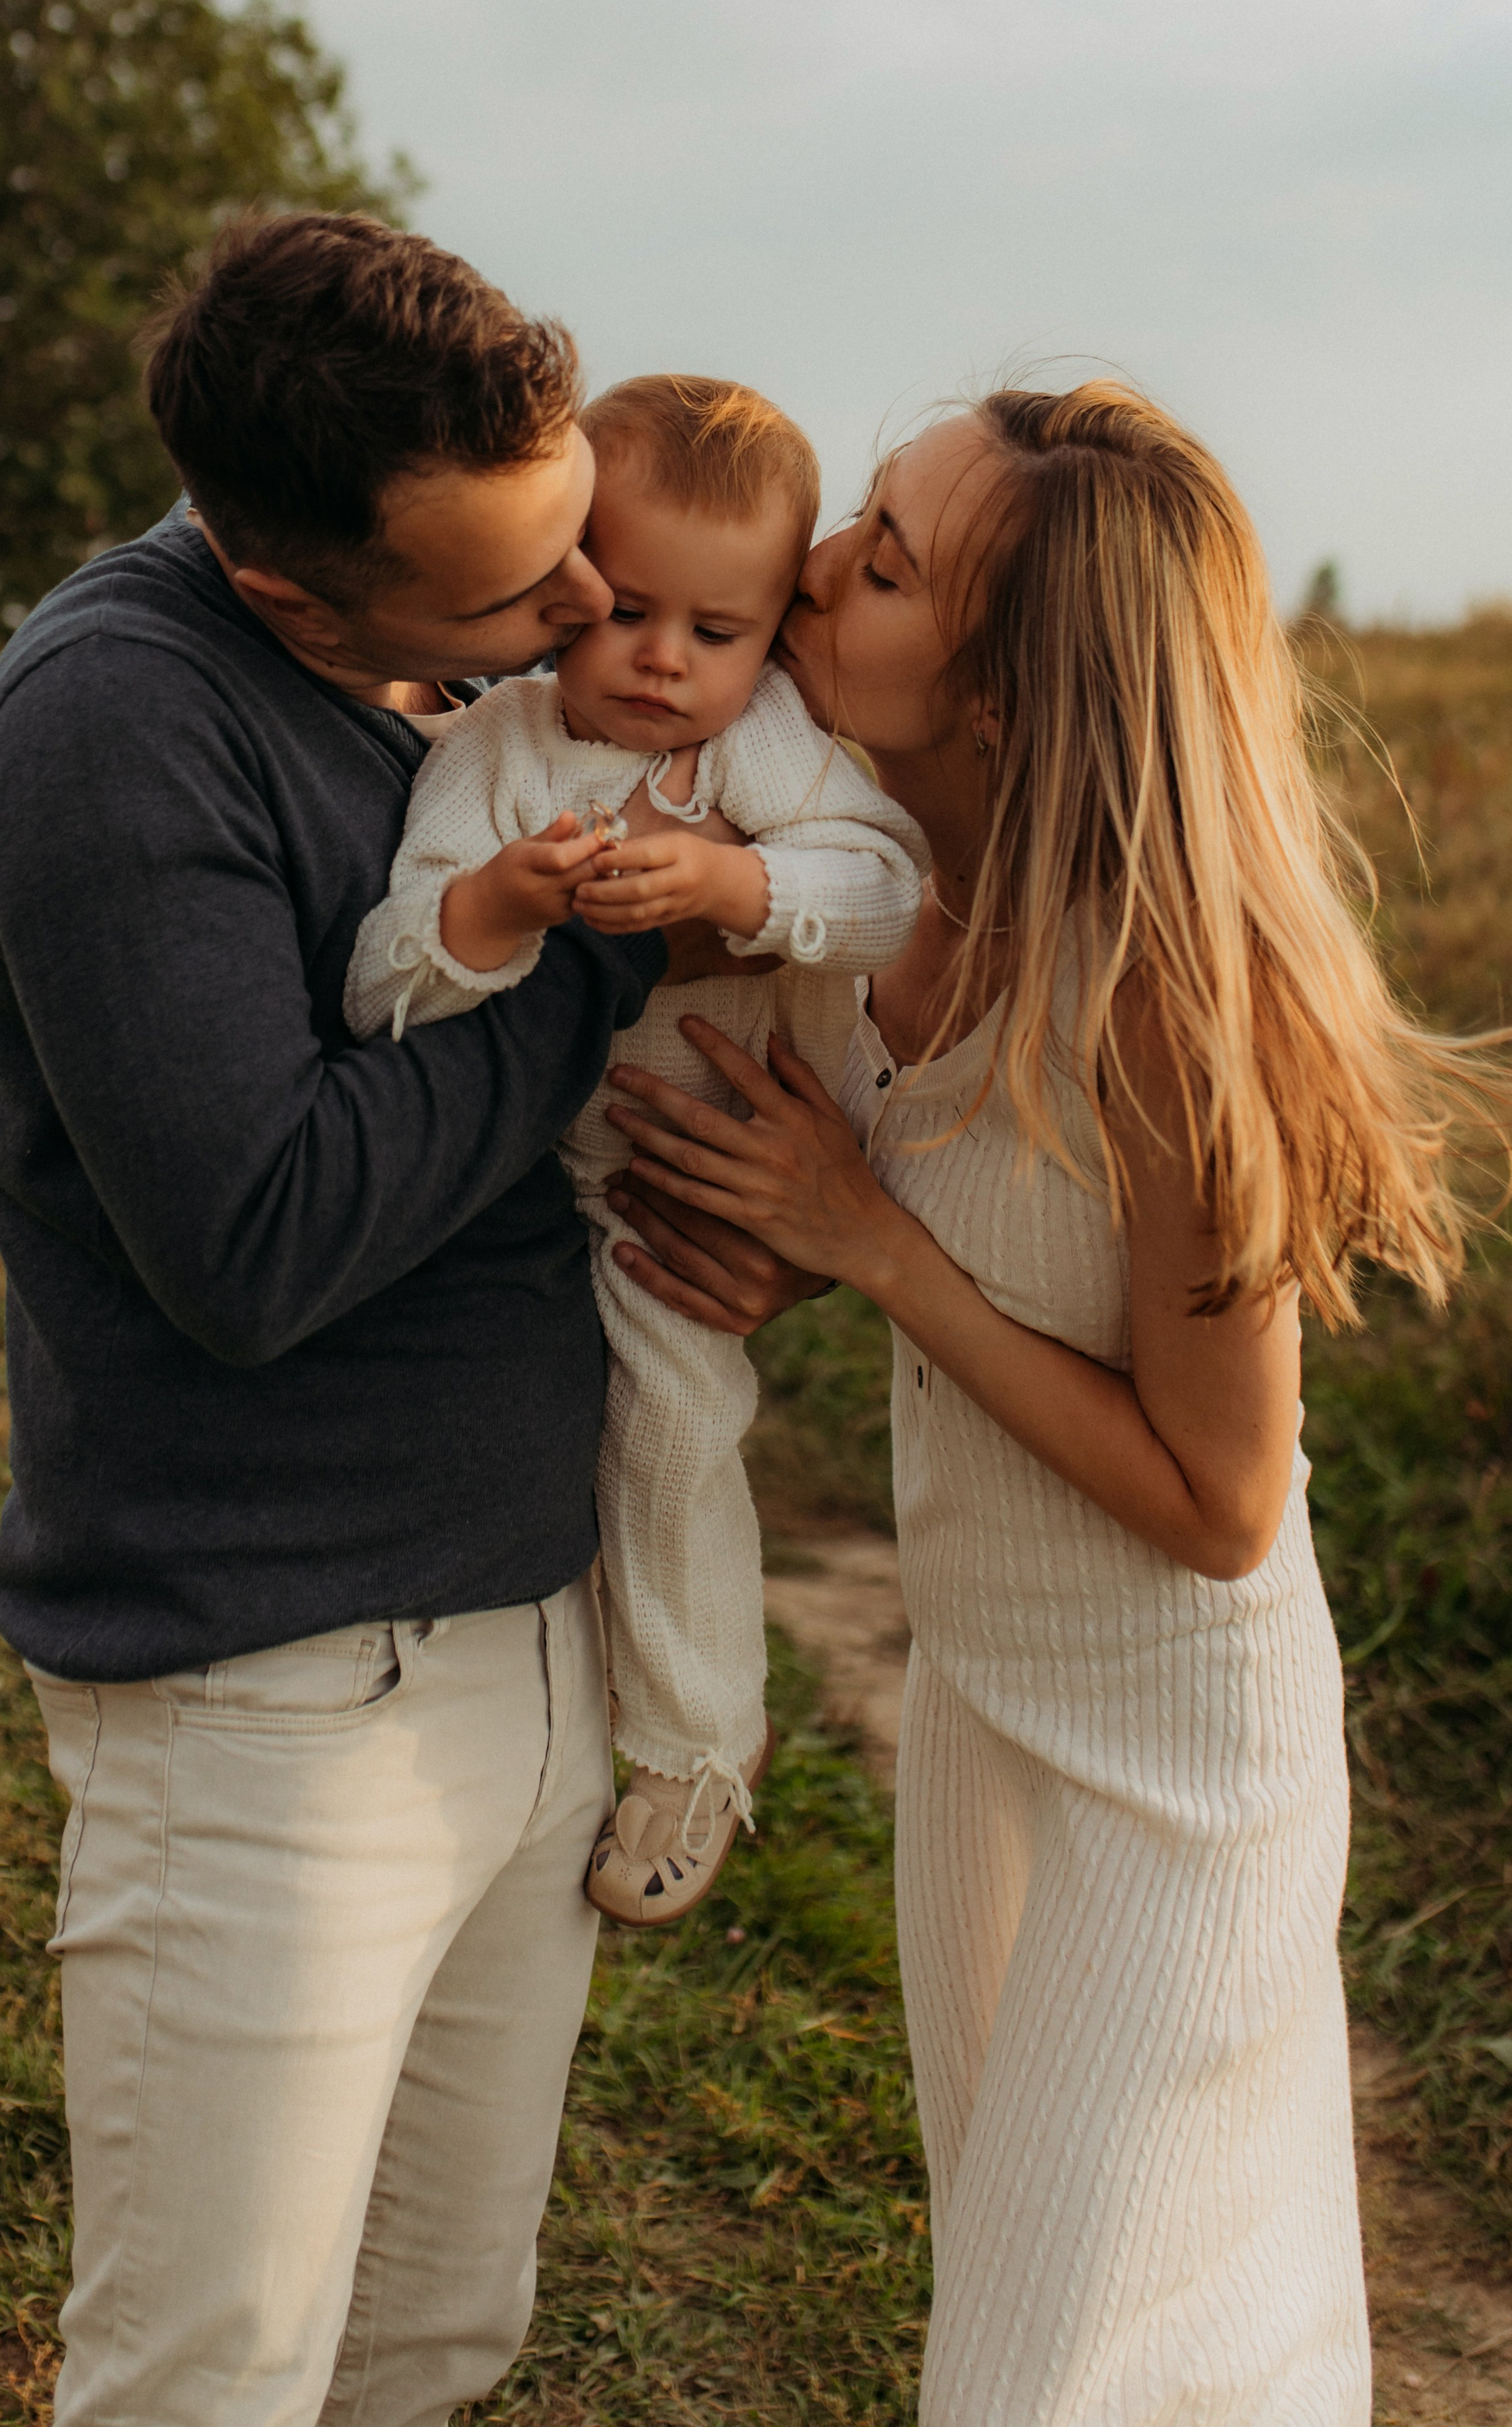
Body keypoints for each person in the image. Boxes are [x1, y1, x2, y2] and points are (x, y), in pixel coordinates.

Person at [0, 211, 807, 2427]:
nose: (594, 617)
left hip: (529, 1641)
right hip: (279, 1694)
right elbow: (255, 1234)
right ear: (290, 596)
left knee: (433, 2343)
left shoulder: (446, 648)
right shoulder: (121, 719)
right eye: (523, 598)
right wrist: (607, 959)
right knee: (212, 2381)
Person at [600, 383, 1506, 2422]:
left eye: (889, 562)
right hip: (984, 1706)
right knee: (1043, 2285)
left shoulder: (1170, 1008)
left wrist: (878, 1250)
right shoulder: (872, 907)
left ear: (1007, 694)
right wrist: (780, 1258)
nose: (817, 562)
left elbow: (1221, 1503)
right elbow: (912, 1258)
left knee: (1056, 2368)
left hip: (1182, 1774)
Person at [343, 374, 927, 1924]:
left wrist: (737, 888)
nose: (664, 661)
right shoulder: (496, 757)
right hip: (556, 1171)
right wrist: (499, 908)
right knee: (567, 1426)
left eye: (716, 632)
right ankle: (542, 1698)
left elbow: (886, 892)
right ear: (563, 587)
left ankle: (693, 1742)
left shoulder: (763, 751)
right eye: (626, 613)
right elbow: (382, 975)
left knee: (670, 1428)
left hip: (722, 1152)